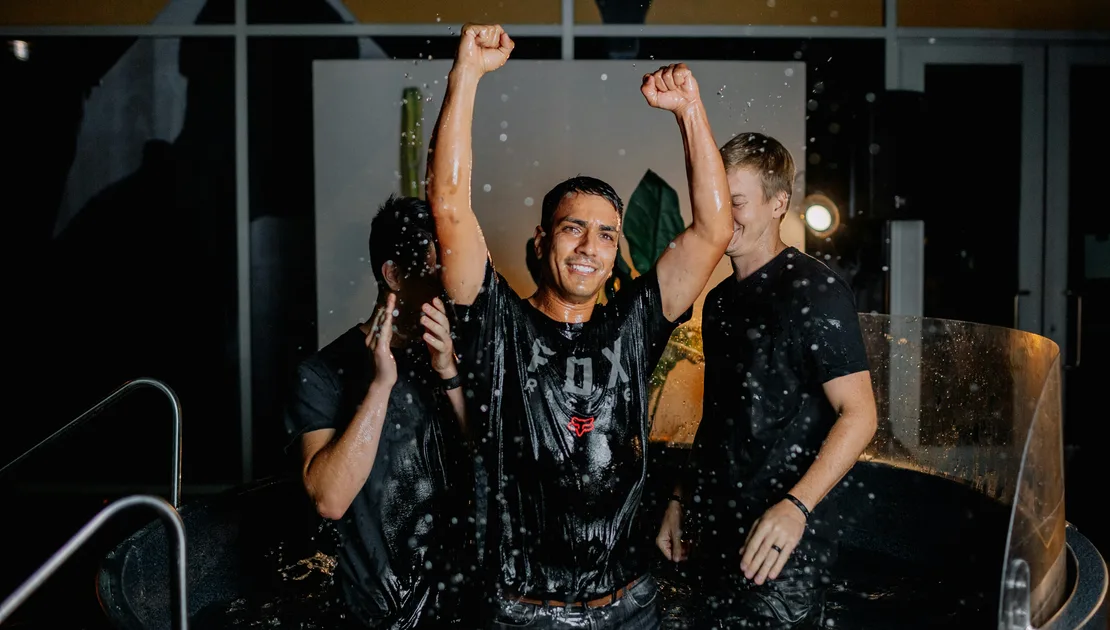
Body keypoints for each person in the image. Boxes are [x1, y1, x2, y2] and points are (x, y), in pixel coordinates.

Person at [426, 23, 733, 629]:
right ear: (542, 241)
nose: (591, 246)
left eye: (607, 234)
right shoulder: (496, 322)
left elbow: (713, 232)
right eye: (573, 228)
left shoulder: (634, 325)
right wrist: (465, 75)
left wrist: (690, 110)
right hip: (521, 610)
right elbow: (450, 206)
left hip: (628, 603)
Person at [656, 132, 879, 628]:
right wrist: (678, 497)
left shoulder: (815, 291)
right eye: (716, 201)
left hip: (784, 548)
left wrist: (795, 508)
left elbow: (861, 415)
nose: (722, 214)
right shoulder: (716, 302)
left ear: (779, 203)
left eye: (736, 201)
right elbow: (717, 419)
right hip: (715, 534)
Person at [283, 195, 471, 629]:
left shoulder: (455, 359)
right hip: (371, 611)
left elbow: (489, 467)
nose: (452, 285)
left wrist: (450, 375)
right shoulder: (321, 373)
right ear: (394, 275)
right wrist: (381, 385)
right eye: (437, 269)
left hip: (459, 605)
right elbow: (329, 499)